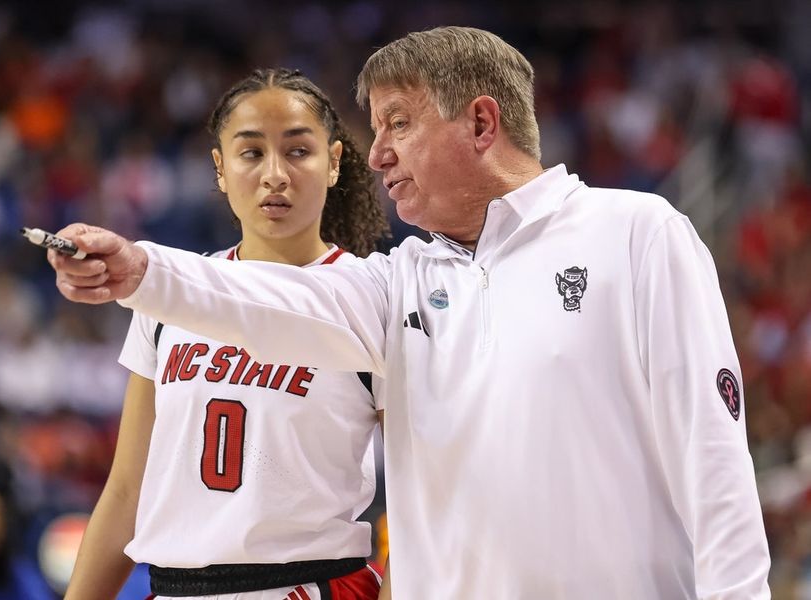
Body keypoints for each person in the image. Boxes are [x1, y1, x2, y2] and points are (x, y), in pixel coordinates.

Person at [49, 27, 772, 599]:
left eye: (398, 122)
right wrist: (141, 268)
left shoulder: (636, 232)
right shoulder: (398, 282)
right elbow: (270, 295)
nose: (380, 152)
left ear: (482, 122)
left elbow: (712, 457)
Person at [62, 68, 388, 600]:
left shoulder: (374, 298)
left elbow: (417, 504)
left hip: (309, 585)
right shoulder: (168, 299)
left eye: (299, 152)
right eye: (252, 152)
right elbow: (126, 491)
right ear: (220, 168)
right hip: (172, 587)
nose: (275, 174)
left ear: (333, 163)